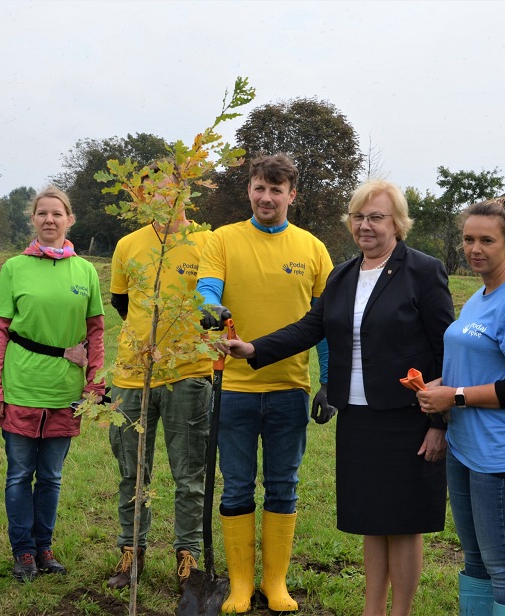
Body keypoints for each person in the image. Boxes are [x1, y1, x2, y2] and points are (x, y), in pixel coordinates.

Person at [225, 179, 454, 616]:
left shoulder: (423, 271)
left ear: (397, 223)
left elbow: (446, 348)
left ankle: (400, 612)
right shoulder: (344, 274)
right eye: (358, 217)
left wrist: (438, 423)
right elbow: (311, 327)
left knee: (404, 523)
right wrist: (254, 348)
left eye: (376, 217)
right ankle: (372, 610)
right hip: (358, 418)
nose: (365, 226)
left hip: (408, 417)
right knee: (371, 520)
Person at [196, 153, 335, 613]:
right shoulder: (222, 239)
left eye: (277, 190)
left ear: (292, 195)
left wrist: (329, 381)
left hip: (289, 389)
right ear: (249, 190)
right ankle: (240, 585)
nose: (267, 197)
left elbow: (326, 324)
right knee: (237, 486)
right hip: (233, 389)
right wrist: (210, 308)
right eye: (260, 188)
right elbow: (207, 288)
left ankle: (275, 584)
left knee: (283, 486)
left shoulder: (313, 249)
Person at [417, 197, 505, 616]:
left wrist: (454, 396)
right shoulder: (480, 294)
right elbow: (479, 363)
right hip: (465, 446)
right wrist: (441, 386)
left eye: (486, 240)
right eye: (468, 239)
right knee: (474, 559)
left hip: (500, 453)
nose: (475, 249)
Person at [0, 186, 105, 581]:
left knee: (51, 476)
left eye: (57, 213)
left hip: (64, 391)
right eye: (42, 213)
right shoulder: (14, 268)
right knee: (19, 474)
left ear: (69, 219)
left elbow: (96, 333)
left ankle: (44, 547)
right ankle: (23, 552)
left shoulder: (85, 271)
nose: (49, 219)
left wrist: (94, 386)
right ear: (33, 219)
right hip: (21, 386)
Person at [105, 167, 213, 591]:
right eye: (154, 193)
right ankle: (131, 550)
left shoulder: (207, 242)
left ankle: (188, 555)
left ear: (187, 193)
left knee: (189, 474)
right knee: (132, 471)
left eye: (172, 192)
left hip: (189, 374)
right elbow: (121, 302)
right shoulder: (128, 244)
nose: (165, 199)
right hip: (133, 375)